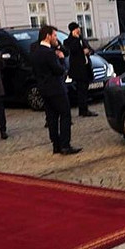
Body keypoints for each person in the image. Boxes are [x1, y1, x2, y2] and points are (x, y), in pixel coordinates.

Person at [32, 25, 81, 155]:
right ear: (48, 36)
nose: (56, 38)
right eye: (54, 36)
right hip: (56, 88)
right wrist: (61, 60)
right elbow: (58, 70)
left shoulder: (36, 51)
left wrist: (59, 48)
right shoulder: (48, 53)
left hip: (44, 88)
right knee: (65, 114)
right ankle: (65, 145)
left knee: (52, 117)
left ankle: (56, 145)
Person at [64, 22, 97, 117]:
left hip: (86, 68)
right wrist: (76, 39)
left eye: (79, 28)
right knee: (81, 90)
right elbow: (72, 49)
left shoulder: (83, 39)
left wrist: (89, 51)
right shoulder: (69, 41)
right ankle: (83, 110)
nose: (79, 31)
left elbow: (91, 49)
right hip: (78, 70)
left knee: (85, 90)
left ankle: (85, 109)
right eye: (76, 29)